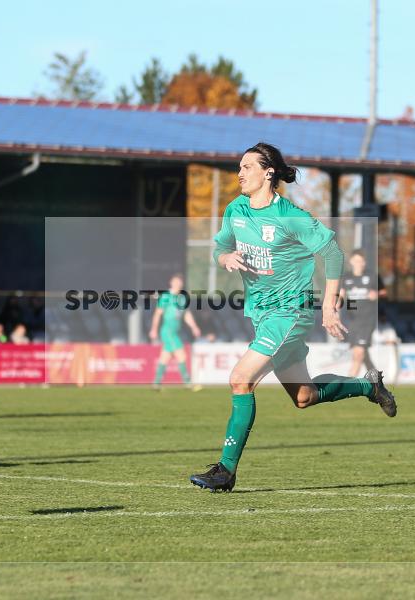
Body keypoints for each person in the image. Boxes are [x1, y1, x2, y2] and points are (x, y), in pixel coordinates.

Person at [189, 142, 396, 493]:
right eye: (239, 167)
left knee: (241, 379)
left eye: (247, 167)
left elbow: (332, 253)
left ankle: (225, 471)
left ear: (268, 172)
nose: (239, 173)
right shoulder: (236, 209)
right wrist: (224, 258)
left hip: (290, 313)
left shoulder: (290, 216)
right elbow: (220, 247)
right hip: (263, 313)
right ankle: (368, 385)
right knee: (305, 397)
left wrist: (329, 306)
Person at [149, 274, 202, 391]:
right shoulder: (166, 297)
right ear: (171, 283)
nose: (178, 285)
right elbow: (158, 313)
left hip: (174, 331)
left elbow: (186, 315)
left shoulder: (182, 298)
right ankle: (188, 383)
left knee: (165, 357)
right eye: (176, 283)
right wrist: (153, 329)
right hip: (167, 331)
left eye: (180, 283)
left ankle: (156, 383)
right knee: (181, 354)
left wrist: (194, 327)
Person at [339, 249, 386, 377]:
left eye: (361, 261)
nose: (358, 263)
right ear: (351, 262)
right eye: (356, 261)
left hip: (367, 320)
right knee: (363, 353)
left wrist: (376, 294)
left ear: (364, 262)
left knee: (358, 352)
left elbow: (383, 292)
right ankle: (377, 381)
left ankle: (348, 383)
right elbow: (341, 296)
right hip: (352, 321)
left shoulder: (372, 276)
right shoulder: (346, 277)